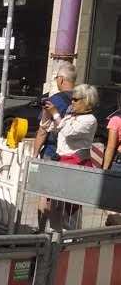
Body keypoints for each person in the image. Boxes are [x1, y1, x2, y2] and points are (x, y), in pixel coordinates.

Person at [37, 84, 99, 231]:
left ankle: (70, 238)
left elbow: (69, 132)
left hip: (76, 166)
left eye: (75, 100)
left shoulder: (90, 120)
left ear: (86, 100)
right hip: (61, 164)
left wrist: (55, 113)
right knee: (56, 205)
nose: (72, 102)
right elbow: (49, 127)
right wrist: (46, 112)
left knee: (71, 208)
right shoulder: (71, 116)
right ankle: (55, 235)